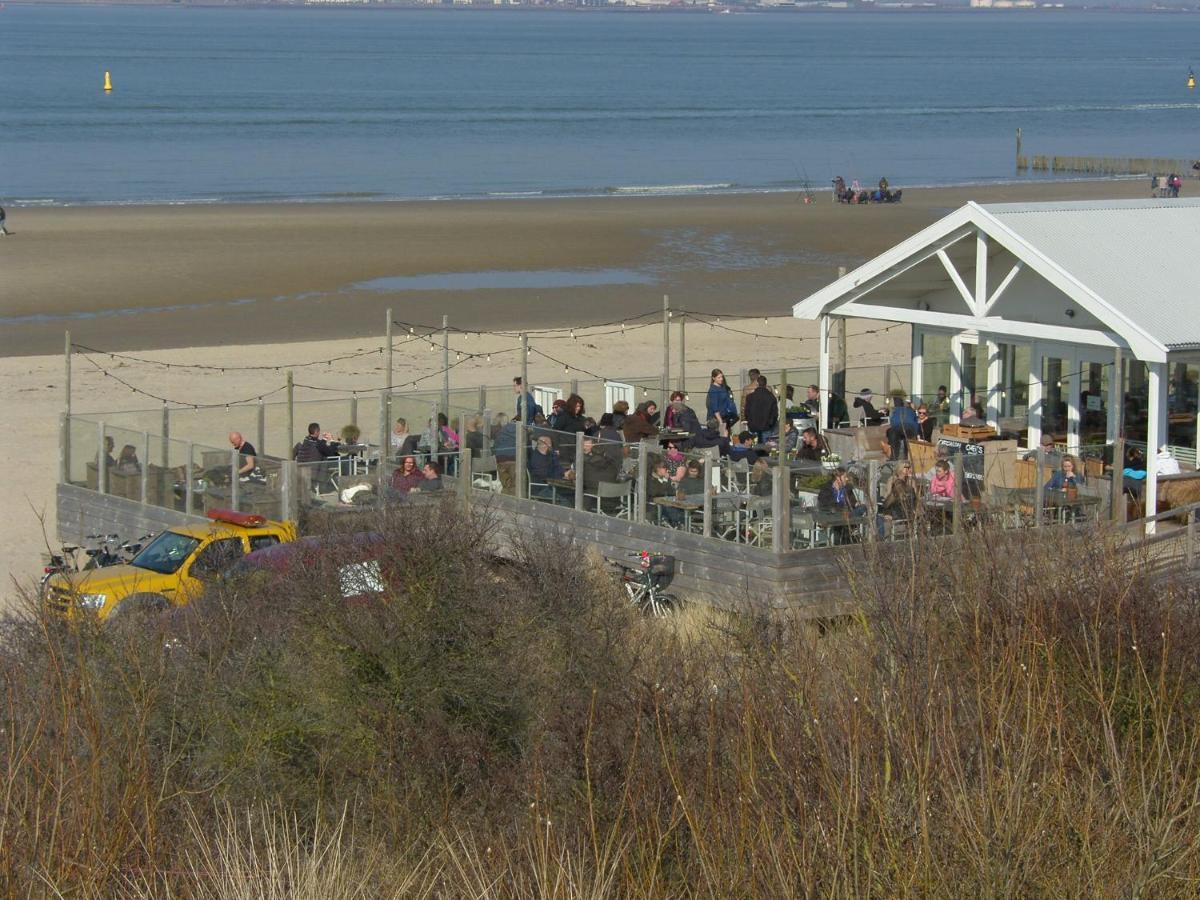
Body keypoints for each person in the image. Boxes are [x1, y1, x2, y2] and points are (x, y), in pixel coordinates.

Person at [817, 467, 862, 544]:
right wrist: (843, 505)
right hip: (831, 515)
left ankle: (853, 536)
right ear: (838, 478)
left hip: (846, 516)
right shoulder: (826, 489)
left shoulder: (847, 488)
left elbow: (852, 502)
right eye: (845, 477)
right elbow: (826, 505)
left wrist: (856, 503)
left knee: (862, 508)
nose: (847, 479)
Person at [879, 461, 918, 537]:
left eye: (909, 467)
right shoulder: (892, 480)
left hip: (905, 510)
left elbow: (915, 497)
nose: (909, 469)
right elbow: (887, 496)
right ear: (900, 469)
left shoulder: (911, 481)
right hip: (896, 507)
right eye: (906, 467)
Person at [647, 456, 686, 527]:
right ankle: (681, 524)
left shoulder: (665, 479)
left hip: (666, 503)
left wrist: (667, 481)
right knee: (673, 511)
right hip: (654, 505)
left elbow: (672, 493)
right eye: (665, 468)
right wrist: (665, 481)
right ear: (658, 468)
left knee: (680, 509)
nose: (667, 471)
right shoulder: (650, 479)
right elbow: (655, 493)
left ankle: (682, 525)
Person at [527, 434, 565, 501]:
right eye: (550, 444)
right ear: (545, 445)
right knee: (565, 501)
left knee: (570, 495)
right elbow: (545, 475)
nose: (551, 446)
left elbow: (557, 468)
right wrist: (561, 474)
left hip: (551, 486)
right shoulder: (536, 458)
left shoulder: (548, 455)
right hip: (541, 488)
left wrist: (564, 473)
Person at [744, 375, 779, 441]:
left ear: (757, 384)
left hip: (753, 427)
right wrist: (771, 424)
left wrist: (749, 422)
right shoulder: (771, 397)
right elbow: (775, 414)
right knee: (765, 448)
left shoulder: (750, 397)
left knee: (754, 448)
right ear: (766, 384)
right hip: (767, 427)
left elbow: (746, 412)